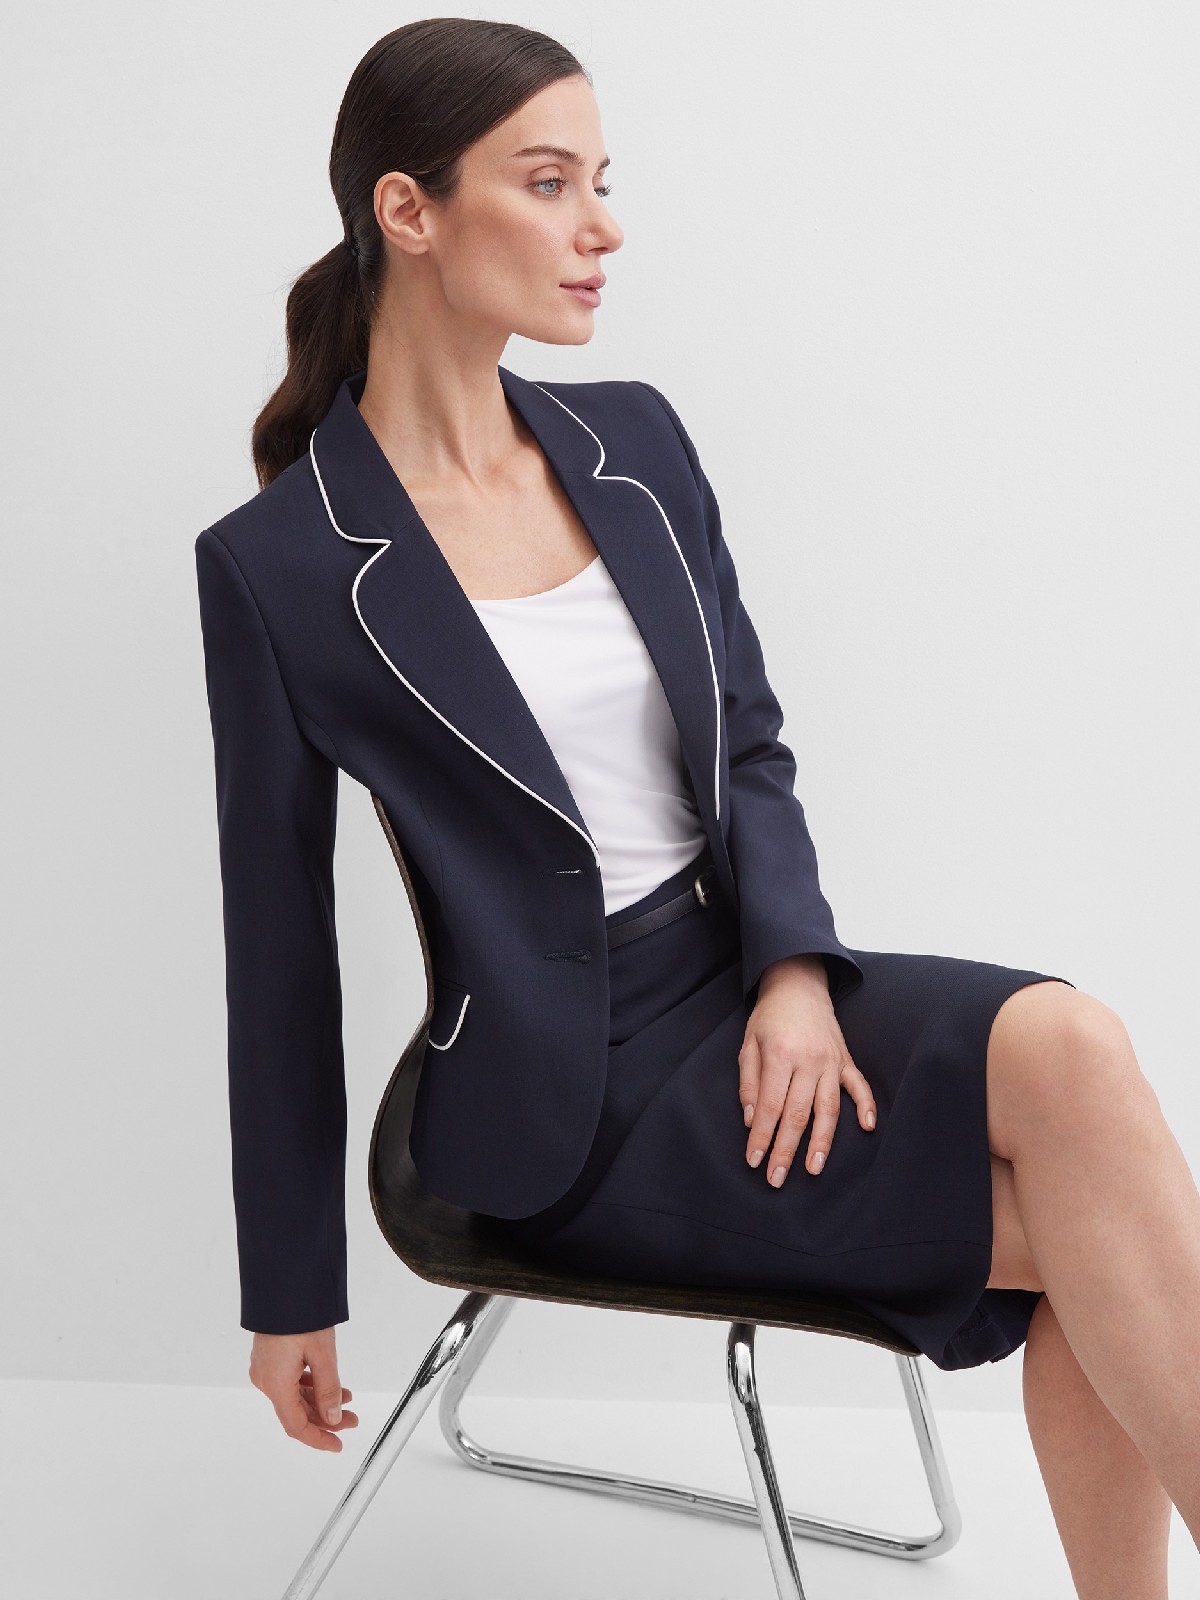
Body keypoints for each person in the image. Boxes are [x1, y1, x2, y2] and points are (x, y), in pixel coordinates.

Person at [195, 17, 1200, 1585]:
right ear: (410, 209)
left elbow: (748, 746)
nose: (603, 227)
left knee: (1074, 1046)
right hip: (566, 1100)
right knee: (1106, 1248)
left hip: (738, 980)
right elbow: (278, 953)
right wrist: (289, 1292)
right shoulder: (281, 566)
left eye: (603, 182)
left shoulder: (636, 442)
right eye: (550, 183)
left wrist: (794, 968)